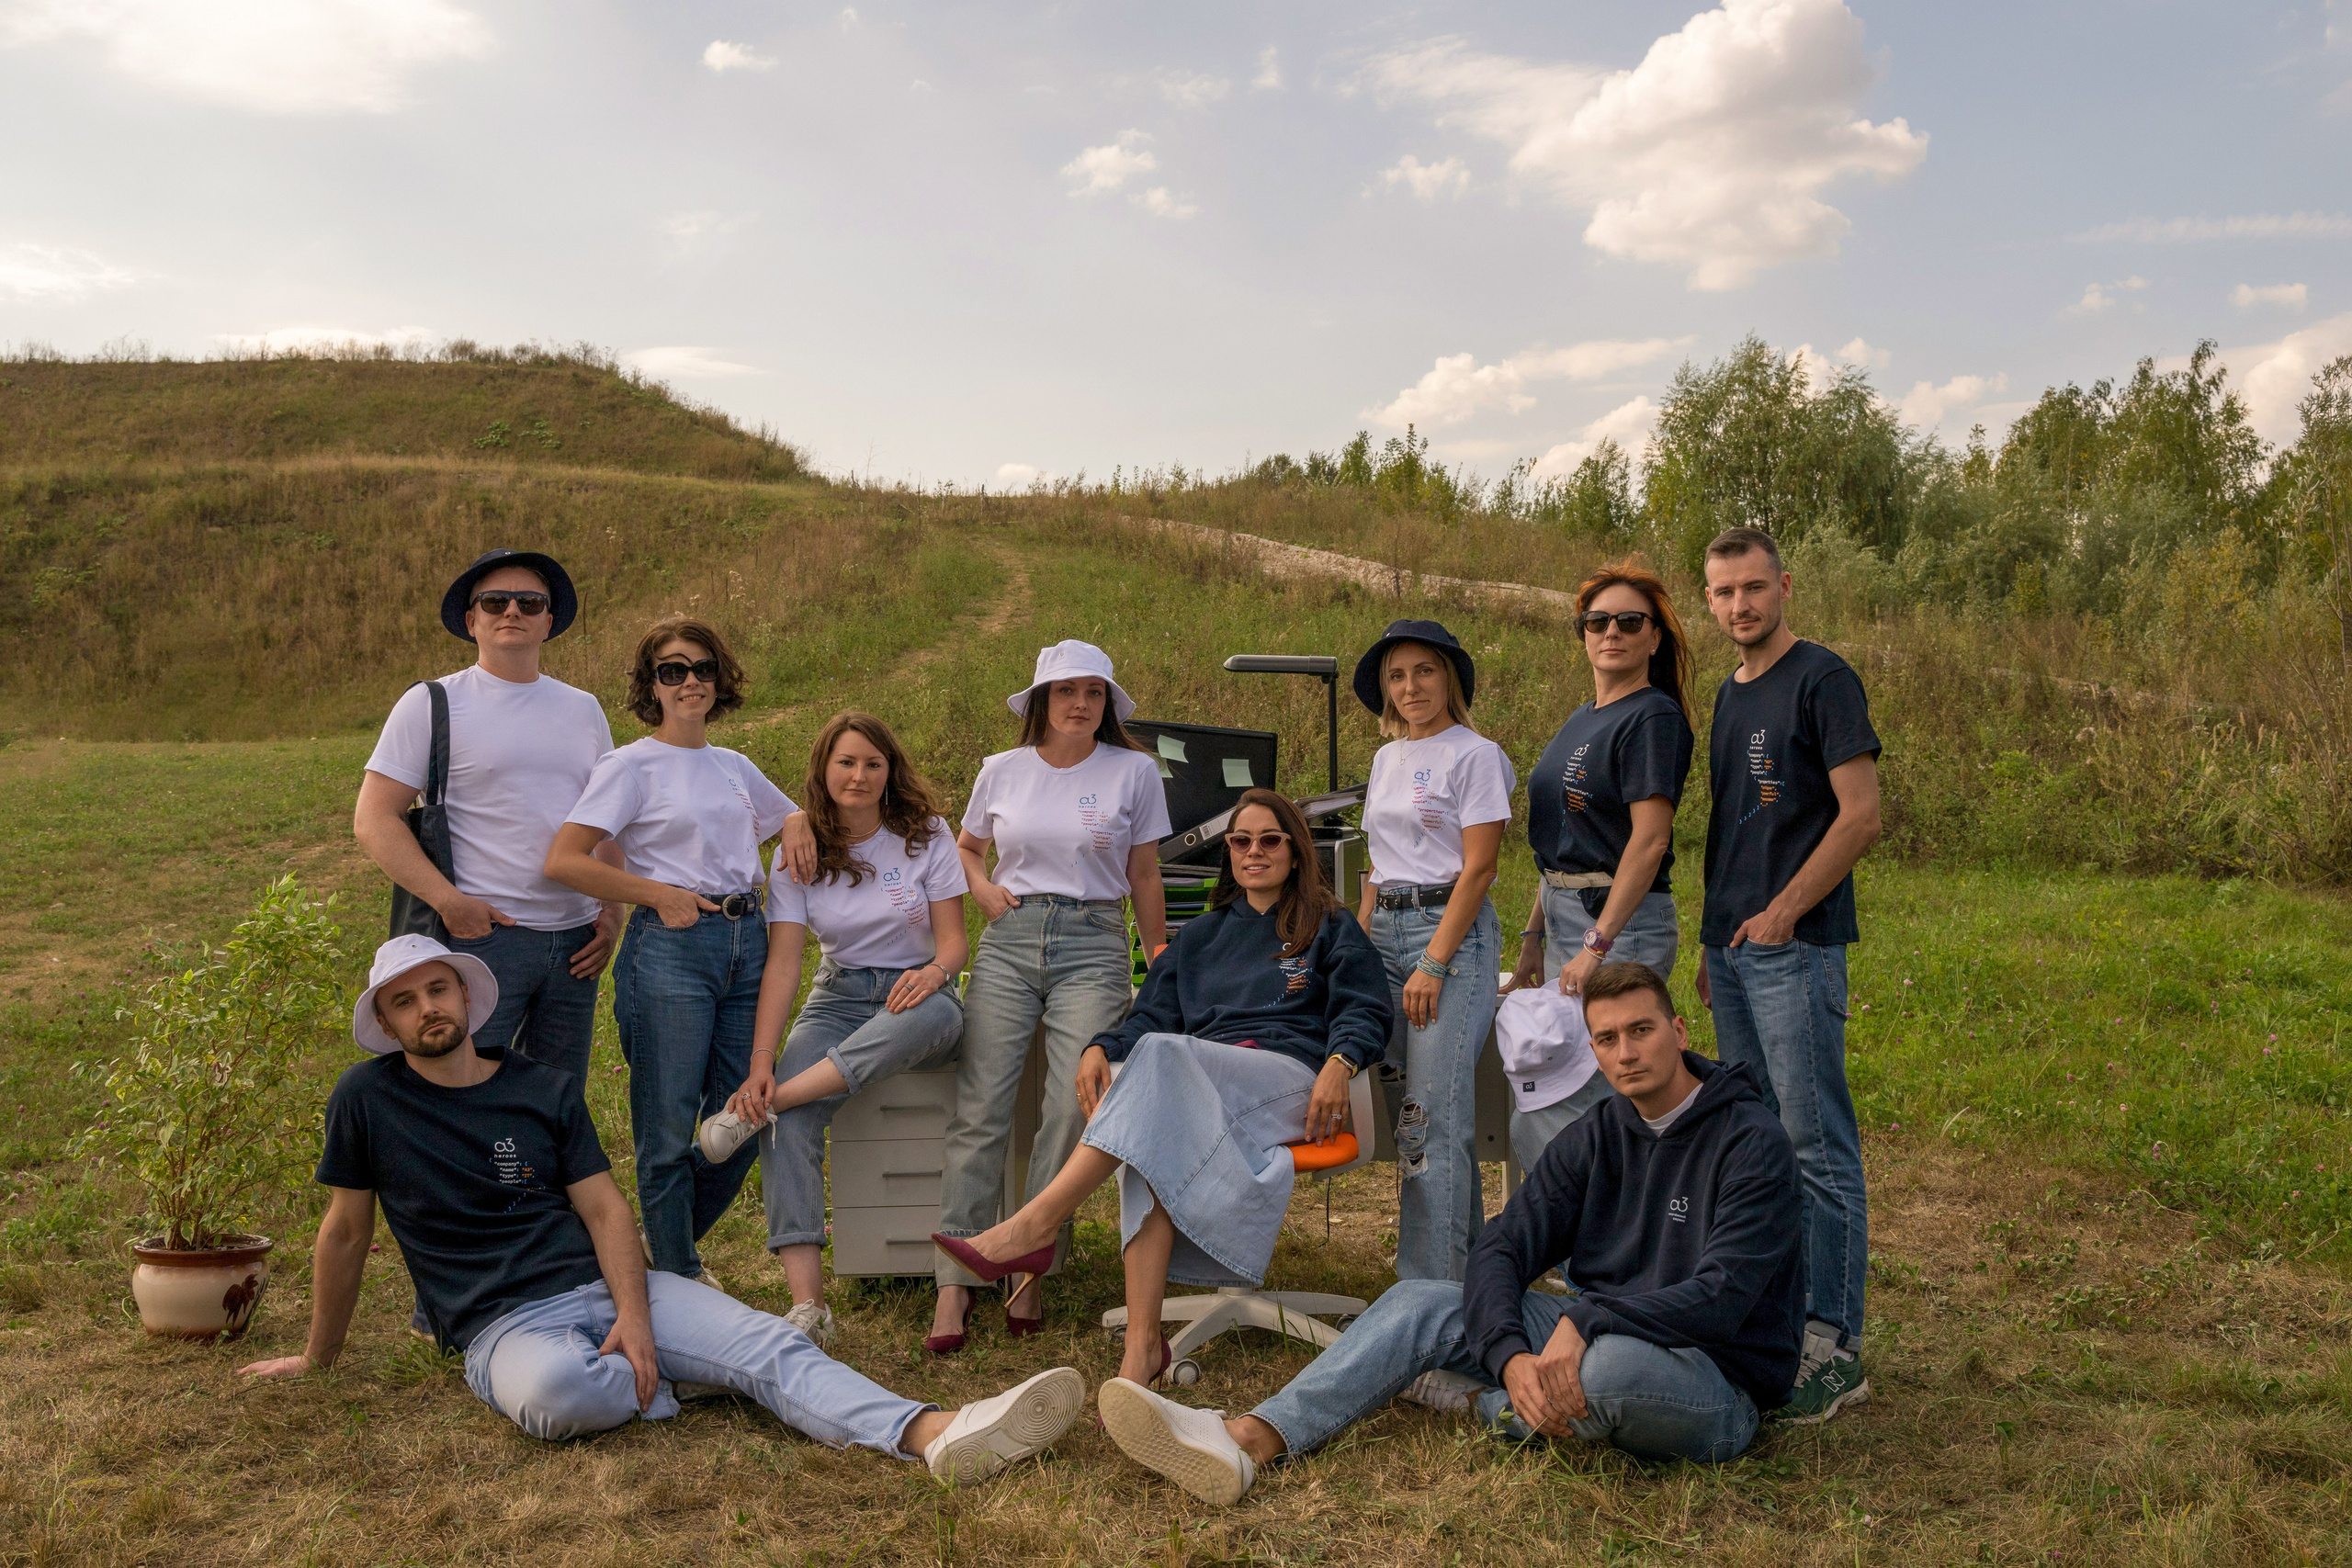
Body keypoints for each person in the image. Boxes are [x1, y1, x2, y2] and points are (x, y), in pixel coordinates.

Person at [238, 934, 1085, 1483]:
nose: (427, 1008)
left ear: (464, 997)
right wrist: (318, 1355)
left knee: (773, 1341)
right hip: (500, 1325)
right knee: (558, 1395)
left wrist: (635, 1316)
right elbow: (345, 1231)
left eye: (437, 990)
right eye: (405, 1001)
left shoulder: (539, 1087)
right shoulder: (366, 1099)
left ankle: (935, 1431)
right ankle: (691, 1377)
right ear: (388, 1023)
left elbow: (607, 1212)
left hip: (608, 1286)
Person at [1091, 961, 1804, 1504]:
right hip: (1592, 1333)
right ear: (1593, 1049)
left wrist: (1586, 1320)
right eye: (1608, 1038)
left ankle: (1475, 1401)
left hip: (1710, 1376)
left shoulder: (1750, 1140)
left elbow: (1723, 1298)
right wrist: (1511, 1353)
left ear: (1679, 1031)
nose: (1626, 1052)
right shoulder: (1599, 1133)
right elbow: (1503, 1246)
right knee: (1420, 1300)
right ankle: (1252, 1437)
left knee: (1605, 1371)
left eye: (1641, 1031)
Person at [933, 789, 1392, 1388]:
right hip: (1202, 1084)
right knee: (1150, 1125)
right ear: (1228, 852)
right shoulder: (1199, 937)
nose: (1254, 851)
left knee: (1161, 1063)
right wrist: (1099, 1045)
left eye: (1269, 840)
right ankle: (1142, 1348)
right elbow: (1148, 1016)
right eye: (1241, 841)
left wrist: (1340, 1060)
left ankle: (1036, 1224)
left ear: (1296, 850)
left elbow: (1366, 1006)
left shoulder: (1329, 926)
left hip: (1290, 1081)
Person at [922, 640, 1170, 1347]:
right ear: (1041, 699)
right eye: (1066, 690)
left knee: (1071, 1105)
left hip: (1094, 941)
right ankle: (954, 1283)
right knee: (981, 1107)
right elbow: (965, 848)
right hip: (1011, 937)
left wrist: (1158, 956)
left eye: (1093, 692)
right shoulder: (1001, 770)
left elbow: (1144, 872)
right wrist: (981, 887)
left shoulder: (1133, 771)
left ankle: (1030, 1265)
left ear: (1107, 702)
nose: (1080, 703)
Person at [695, 712, 969, 1350]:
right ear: (823, 769)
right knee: (788, 1125)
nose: (859, 775)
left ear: (890, 770)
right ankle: (809, 1308)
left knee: (931, 1015)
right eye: (846, 762)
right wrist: (762, 1062)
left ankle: (772, 1103)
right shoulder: (798, 854)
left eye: (873, 763)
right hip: (839, 996)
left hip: (922, 993)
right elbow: (784, 965)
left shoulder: (926, 834)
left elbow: (954, 944)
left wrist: (933, 974)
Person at [1695, 525, 1883, 1424]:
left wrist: (1782, 914)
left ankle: (1833, 1343)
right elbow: (1732, 827)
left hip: (1795, 948)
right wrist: (1714, 944)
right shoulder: (1729, 695)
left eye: (1754, 587)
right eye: (1724, 592)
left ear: (1785, 587)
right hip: (1734, 955)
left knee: (1816, 1145)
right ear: (1709, 601)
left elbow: (1860, 816)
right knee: (1761, 1143)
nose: (1741, 604)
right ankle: (1781, 1322)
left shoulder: (1823, 679)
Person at [544, 618, 795, 1287]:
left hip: (749, 941)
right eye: (673, 670)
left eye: (703, 668)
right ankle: (680, 1273)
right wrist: (657, 894)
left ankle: (659, 1254)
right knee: (667, 1124)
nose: (690, 681)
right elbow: (565, 859)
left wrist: (799, 823)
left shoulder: (733, 765)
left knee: (745, 1115)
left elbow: (788, 817)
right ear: (650, 684)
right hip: (671, 948)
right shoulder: (629, 766)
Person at [356, 548, 622, 1085]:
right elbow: (374, 818)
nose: (513, 611)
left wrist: (612, 911)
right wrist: (450, 904)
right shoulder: (431, 702)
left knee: (556, 1098)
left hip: (577, 941)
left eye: (530, 602)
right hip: (482, 939)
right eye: (495, 601)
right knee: (463, 1095)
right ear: (471, 619)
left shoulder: (584, 708)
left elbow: (607, 817)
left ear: (549, 620)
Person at [1502, 562, 1696, 1170]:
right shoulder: (1583, 716)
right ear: (1583, 632)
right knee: (1558, 1092)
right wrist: (1533, 937)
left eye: (1630, 621)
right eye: (1597, 620)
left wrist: (1598, 943)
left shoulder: (1652, 717)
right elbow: (1564, 841)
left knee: (1576, 1098)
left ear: (1654, 637)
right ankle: (1585, 1224)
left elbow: (1650, 841)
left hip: (1619, 925)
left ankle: (1600, 1228)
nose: (1612, 631)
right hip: (1568, 919)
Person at [1351, 619, 1515, 1281]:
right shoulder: (1385, 759)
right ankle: (1468, 1276)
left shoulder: (1475, 755)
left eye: (1424, 671)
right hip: (1385, 935)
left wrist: (1434, 961)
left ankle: (1427, 1295)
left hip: (1447, 933)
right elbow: (1377, 863)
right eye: (1397, 675)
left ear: (1450, 678)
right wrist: (1358, 942)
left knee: (1429, 1118)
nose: (1411, 686)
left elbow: (1479, 869)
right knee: (1420, 1115)